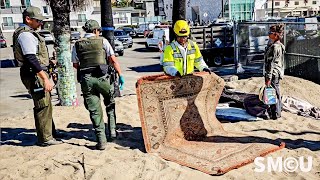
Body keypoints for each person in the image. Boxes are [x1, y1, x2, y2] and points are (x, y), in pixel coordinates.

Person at [12, 6, 62, 146]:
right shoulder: (25, 35)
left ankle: (51, 133)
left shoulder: (29, 33)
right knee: (42, 104)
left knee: (46, 103)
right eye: (38, 21)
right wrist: (45, 78)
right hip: (34, 74)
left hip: (36, 72)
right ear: (28, 19)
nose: (41, 24)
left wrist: (49, 64)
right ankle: (45, 138)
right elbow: (31, 58)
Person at [72, 19, 124, 150]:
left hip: (87, 80)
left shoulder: (77, 44)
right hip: (103, 78)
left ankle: (101, 141)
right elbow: (113, 60)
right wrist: (120, 75)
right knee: (110, 104)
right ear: (96, 30)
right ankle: (112, 133)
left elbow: (75, 64)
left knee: (95, 111)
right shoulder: (103, 41)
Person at [264, 24, 285, 120]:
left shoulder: (274, 47)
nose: (269, 34)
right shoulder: (279, 45)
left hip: (273, 74)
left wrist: (268, 78)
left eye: (270, 33)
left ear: (276, 35)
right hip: (277, 72)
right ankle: (277, 112)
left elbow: (270, 64)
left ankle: (275, 114)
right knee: (276, 92)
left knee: (272, 93)